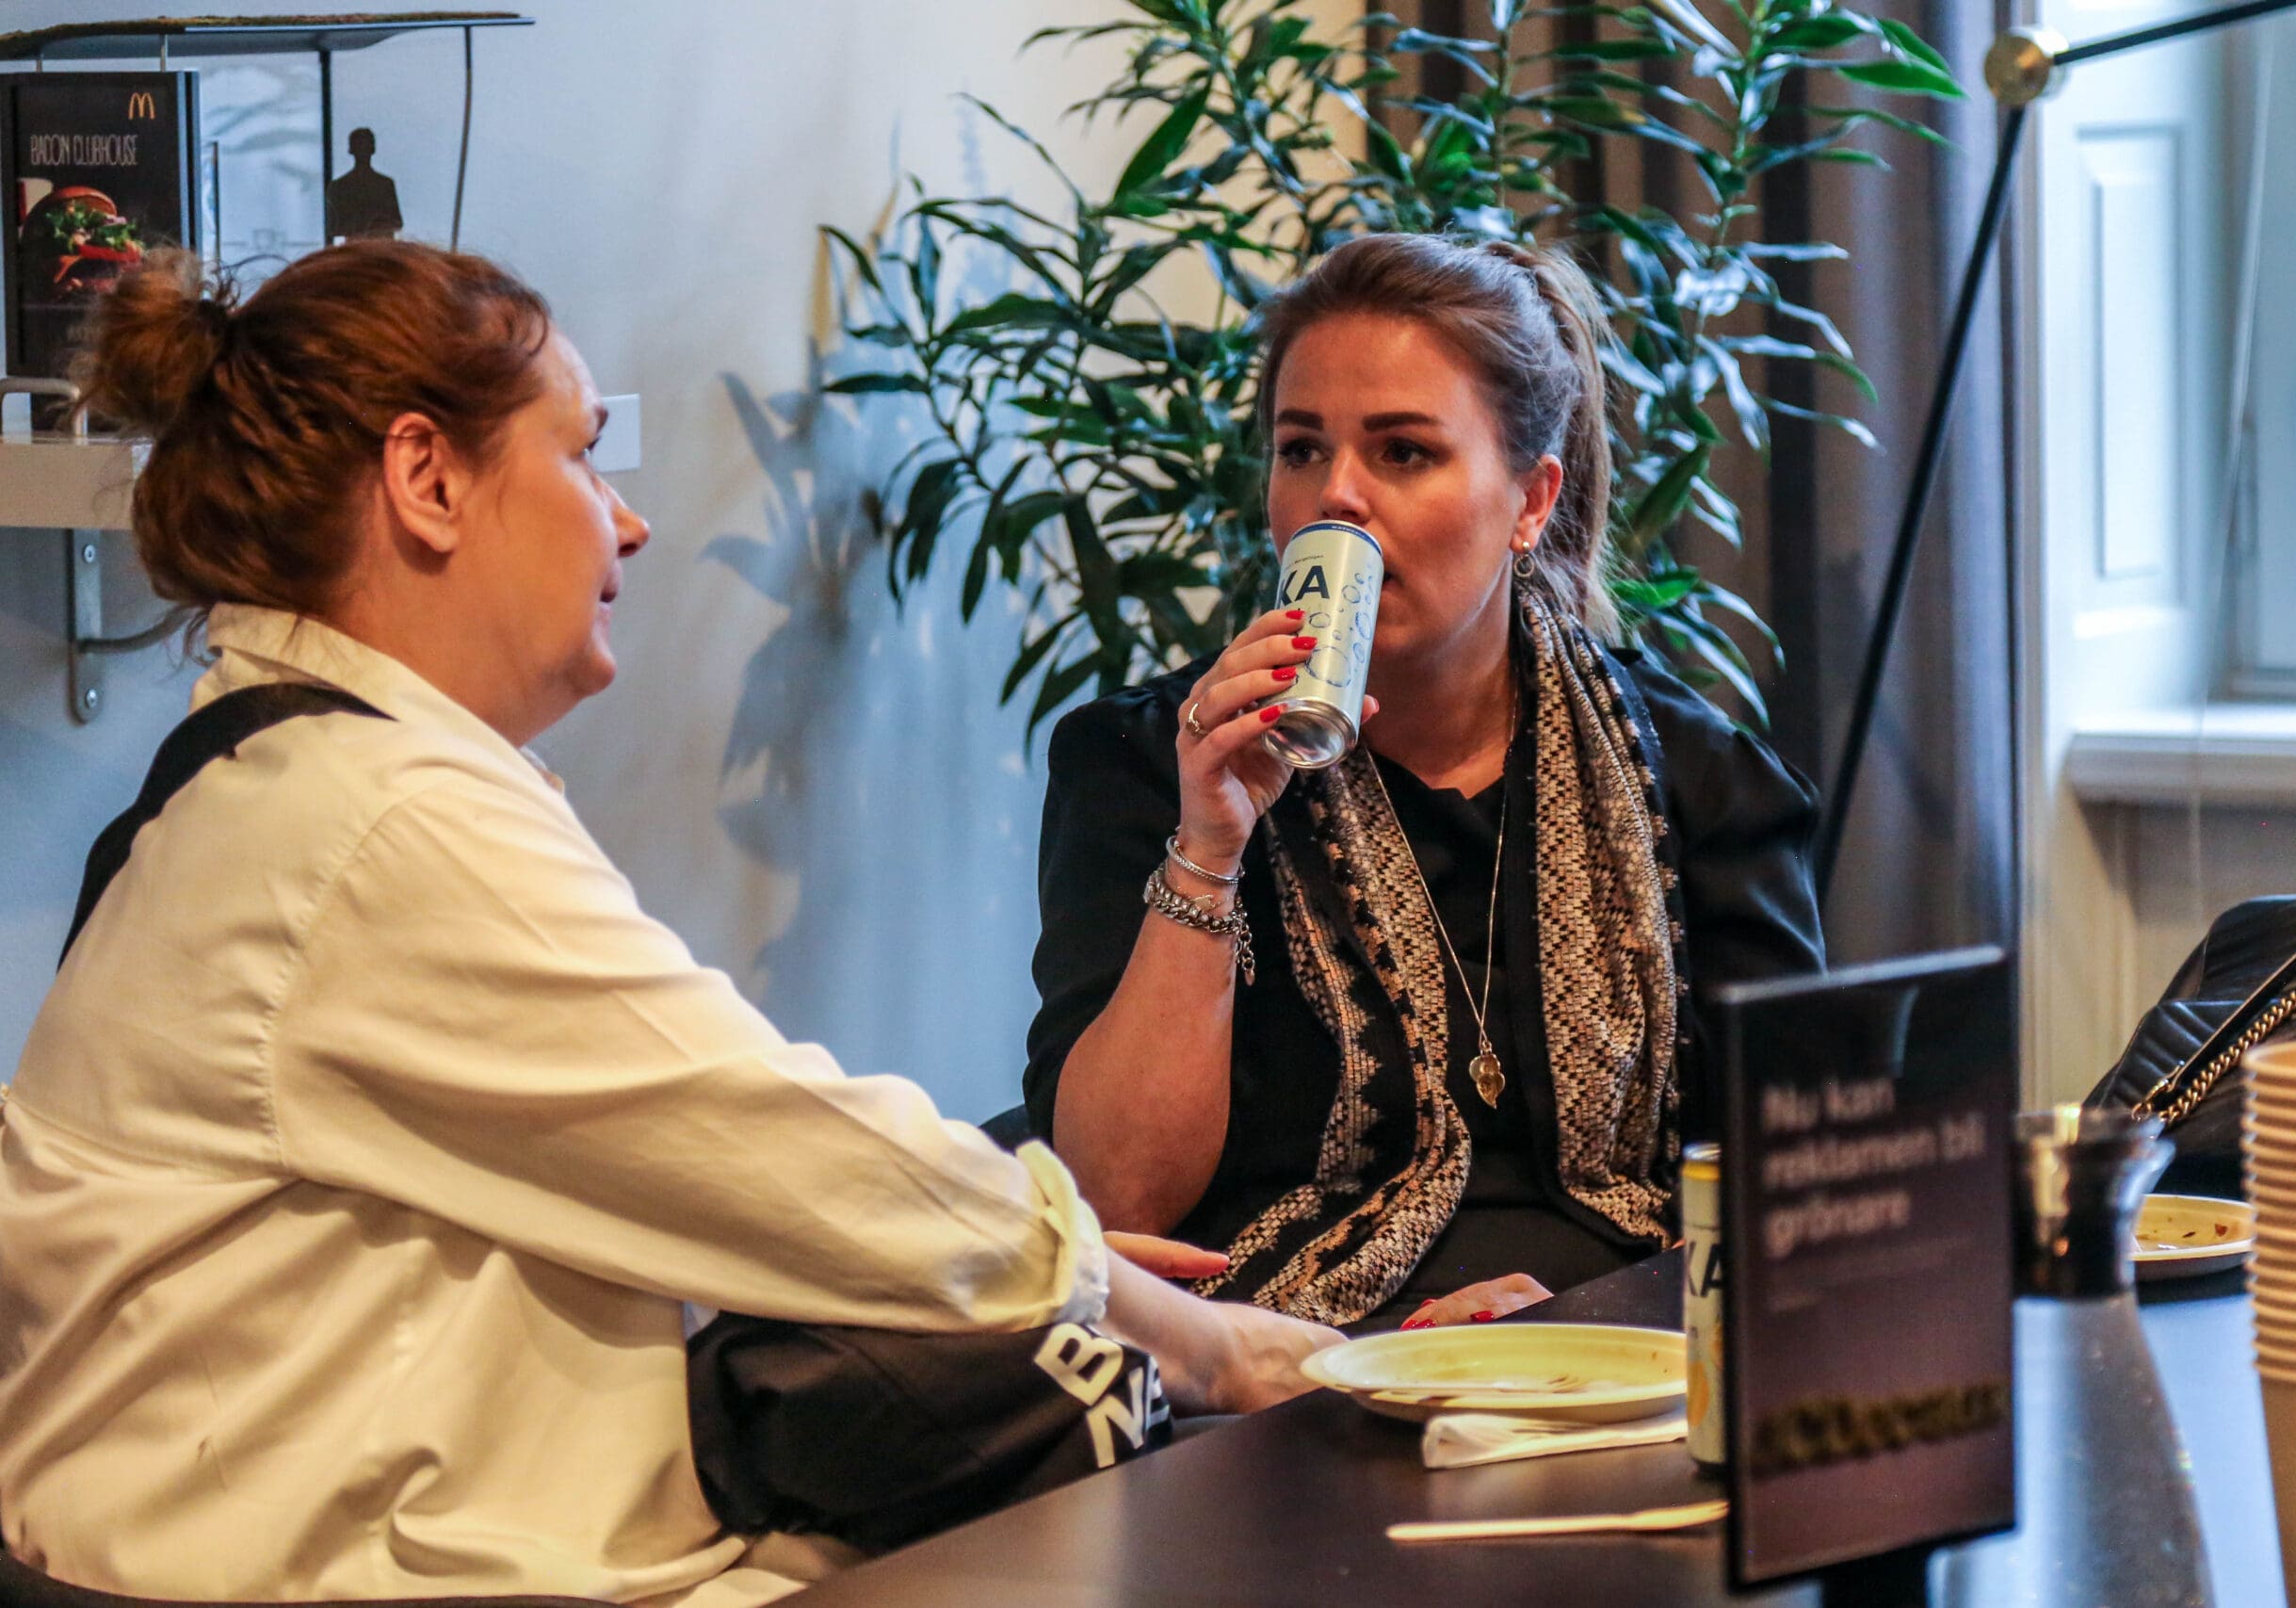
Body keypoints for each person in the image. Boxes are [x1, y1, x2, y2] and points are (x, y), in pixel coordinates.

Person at [0, 243, 1335, 1605]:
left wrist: (1061, 1268)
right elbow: (785, 1149)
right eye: (583, 455)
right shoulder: (370, 820)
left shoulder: (287, 771)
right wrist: (1209, 1341)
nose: (627, 523)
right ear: (428, 480)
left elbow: (716, 1163)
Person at [1025, 234, 1823, 1331]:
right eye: (1300, 450)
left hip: (1622, 1351)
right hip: (1276, 1359)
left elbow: (1795, 1183)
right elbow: (1116, 1204)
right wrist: (1209, 847)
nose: (1336, 496)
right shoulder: (1147, 759)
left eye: (1402, 452)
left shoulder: (1696, 776)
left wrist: (1577, 1323)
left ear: (1529, 500)